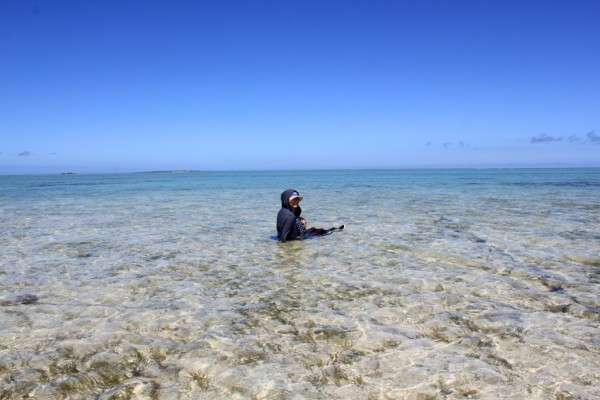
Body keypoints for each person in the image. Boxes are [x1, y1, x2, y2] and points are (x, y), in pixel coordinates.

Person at [276, 189, 344, 242]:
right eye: (293, 199)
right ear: (286, 200)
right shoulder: (290, 216)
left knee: (314, 230)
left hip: (297, 234)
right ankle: (334, 230)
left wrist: (300, 219)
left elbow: (284, 227)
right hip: (299, 237)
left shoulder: (282, 212)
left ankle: (334, 229)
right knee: (321, 233)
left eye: (297, 198)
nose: (296, 201)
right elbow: (284, 236)